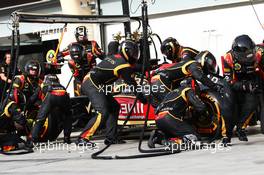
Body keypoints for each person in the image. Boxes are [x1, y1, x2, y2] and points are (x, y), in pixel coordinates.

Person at [76, 40, 147, 146]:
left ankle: (111, 138)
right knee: (102, 111)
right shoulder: (123, 65)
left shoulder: (116, 57)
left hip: (95, 82)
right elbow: (134, 86)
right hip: (91, 83)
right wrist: (144, 100)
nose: (135, 56)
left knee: (114, 107)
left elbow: (133, 68)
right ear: (126, 52)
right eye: (133, 53)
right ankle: (83, 138)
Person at [222, 34, 264, 141]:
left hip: (251, 76)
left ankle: (241, 127)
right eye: (245, 56)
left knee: (253, 100)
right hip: (235, 80)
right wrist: (244, 86)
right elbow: (229, 81)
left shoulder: (259, 52)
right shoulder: (228, 59)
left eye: (251, 54)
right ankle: (226, 135)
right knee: (229, 104)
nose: (249, 58)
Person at [150, 46, 222, 108]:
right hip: (161, 81)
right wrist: (215, 86)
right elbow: (200, 77)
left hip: (159, 81)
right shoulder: (192, 64)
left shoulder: (186, 61)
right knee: (178, 103)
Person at [148, 79, 206, 148]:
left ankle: (159, 137)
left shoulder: (170, 93)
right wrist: (201, 115)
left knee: (178, 131)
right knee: (194, 137)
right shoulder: (187, 90)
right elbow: (201, 107)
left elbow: (158, 109)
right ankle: (173, 142)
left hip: (159, 119)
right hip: (169, 117)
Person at [0, 60, 42, 151]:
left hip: (28, 106)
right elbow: (13, 94)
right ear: (27, 69)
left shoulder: (39, 82)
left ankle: (31, 134)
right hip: (14, 106)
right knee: (16, 114)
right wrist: (20, 112)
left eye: (35, 70)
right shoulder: (20, 79)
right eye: (32, 70)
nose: (33, 72)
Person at [59, 26, 104, 96]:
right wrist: (59, 57)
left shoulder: (93, 44)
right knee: (80, 95)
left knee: (94, 94)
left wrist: (96, 55)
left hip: (91, 73)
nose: (82, 38)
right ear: (76, 36)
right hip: (78, 74)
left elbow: (102, 55)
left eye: (83, 35)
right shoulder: (72, 45)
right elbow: (60, 54)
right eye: (80, 36)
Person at [31, 74, 72, 144]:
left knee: (40, 119)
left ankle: (32, 140)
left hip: (51, 97)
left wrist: (28, 106)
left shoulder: (43, 85)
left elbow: (33, 98)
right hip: (64, 95)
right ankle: (67, 138)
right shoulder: (62, 86)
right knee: (68, 116)